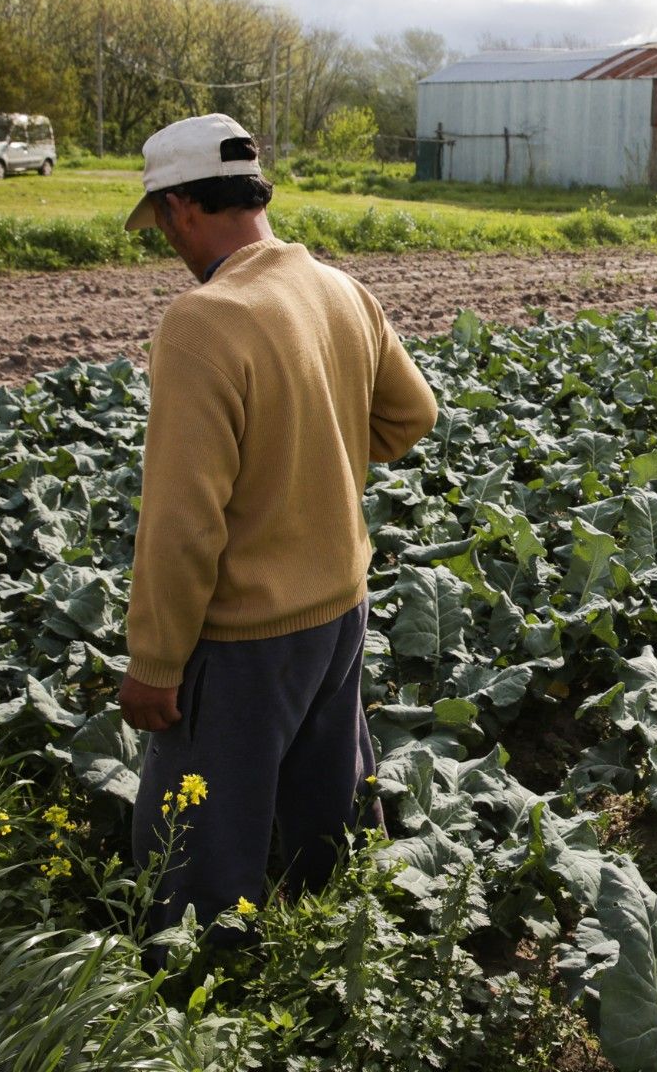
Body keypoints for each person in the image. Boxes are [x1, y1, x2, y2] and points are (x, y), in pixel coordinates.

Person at [116, 112, 437, 965]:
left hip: (243, 639)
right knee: (326, 812)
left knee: (196, 857)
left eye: (163, 225)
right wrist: (313, 453)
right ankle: (344, 964)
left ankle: (199, 1007)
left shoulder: (205, 320)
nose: (168, 244)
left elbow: (183, 522)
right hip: (340, 611)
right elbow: (412, 414)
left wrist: (153, 662)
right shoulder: (338, 289)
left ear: (182, 207)